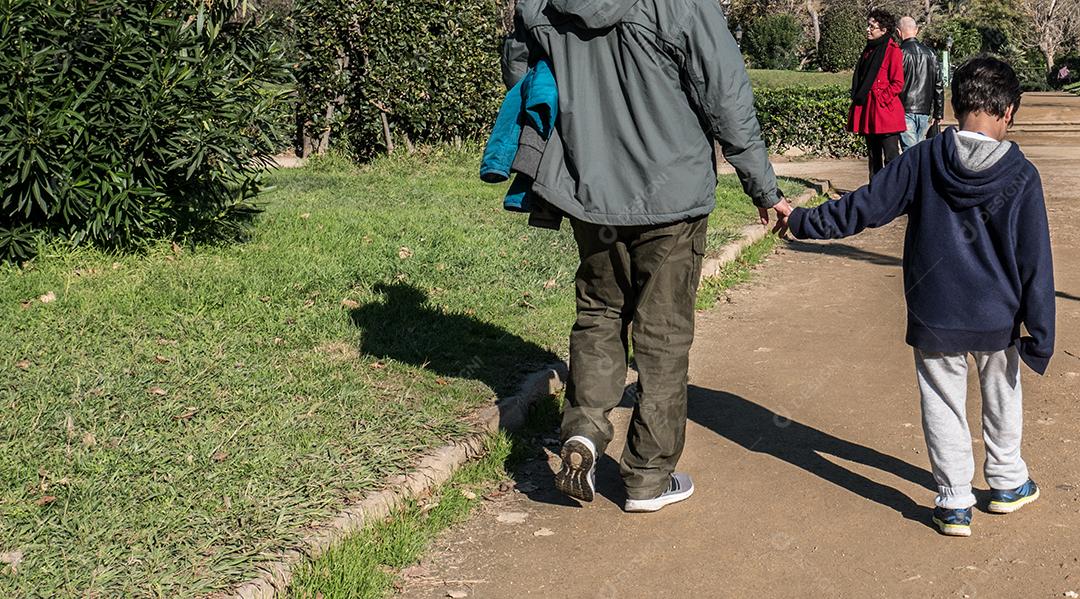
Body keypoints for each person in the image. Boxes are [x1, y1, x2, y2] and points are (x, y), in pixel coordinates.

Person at [502, 0, 791, 513]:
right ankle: (646, 478)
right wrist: (763, 188)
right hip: (671, 196)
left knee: (598, 313)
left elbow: (523, 74)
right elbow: (725, 92)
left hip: (590, 193)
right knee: (663, 337)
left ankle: (585, 433)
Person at [782, 56, 1055, 537]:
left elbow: (863, 208)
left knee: (942, 401)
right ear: (1008, 111)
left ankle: (954, 502)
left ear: (955, 103)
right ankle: (1008, 481)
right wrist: (1042, 333)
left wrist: (802, 220)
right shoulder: (1021, 175)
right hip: (999, 316)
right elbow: (1035, 260)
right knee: (1002, 395)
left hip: (936, 310)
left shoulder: (923, 159)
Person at [849, 10, 906, 179]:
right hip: (869, 110)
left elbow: (897, 83)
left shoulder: (892, 51)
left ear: (884, 30)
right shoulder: (868, 51)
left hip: (886, 112)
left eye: (872, 27)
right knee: (873, 156)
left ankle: (894, 193)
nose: (868, 29)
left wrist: (882, 99)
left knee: (891, 156)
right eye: (868, 25)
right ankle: (874, 194)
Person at [897, 16, 944, 151]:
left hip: (904, 109)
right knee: (920, 150)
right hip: (924, 110)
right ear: (916, 30)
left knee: (910, 151)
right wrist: (938, 113)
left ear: (898, 32)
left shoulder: (899, 53)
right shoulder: (931, 53)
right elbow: (938, 84)